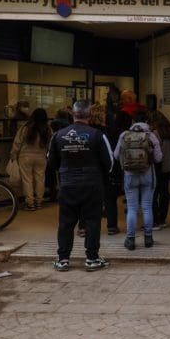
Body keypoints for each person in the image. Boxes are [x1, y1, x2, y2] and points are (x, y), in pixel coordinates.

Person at [47, 100, 113, 272]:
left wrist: (65, 171)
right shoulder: (98, 135)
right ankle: (92, 259)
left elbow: (51, 162)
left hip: (68, 185)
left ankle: (63, 259)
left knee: (66, 223)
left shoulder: (58, 135)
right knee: (92, 222)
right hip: (92, 185)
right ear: (89, 115)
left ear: (73, 114)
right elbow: (110, 162)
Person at [113, 110, 162, 250]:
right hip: (148, 175)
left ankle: (130, 240)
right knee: (147, 207)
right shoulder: (151, 136)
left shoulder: (124, 135)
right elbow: (159, 158)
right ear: (146, 122)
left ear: (133, 122)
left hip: (129, 176)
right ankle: (148, 238)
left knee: (132, 208)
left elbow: (116, 156)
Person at [10, 108, 52, 211]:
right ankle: (39, 202)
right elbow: (50, 144)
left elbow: (17, 143)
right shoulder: (48, 129)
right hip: (41, 157)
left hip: (25, 157)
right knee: (40, 179)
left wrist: (13, 155)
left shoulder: (25, 128)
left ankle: (30, 203)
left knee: (27, 180)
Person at [148, 110, 170, 231]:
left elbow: (154, 153)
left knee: (153, 194)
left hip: (156, 167)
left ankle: (155, 220)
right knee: (164, 193)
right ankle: (162, 219)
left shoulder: (155, 133)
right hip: (168, 166)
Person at [103, 110, 132, 235]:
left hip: (114, 169)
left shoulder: (110, 133)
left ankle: (111, 226)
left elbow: (113, 154)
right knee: (136, 202)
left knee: (109, 198)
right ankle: (133, 229)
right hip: (132, 169)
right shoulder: (132, 134)